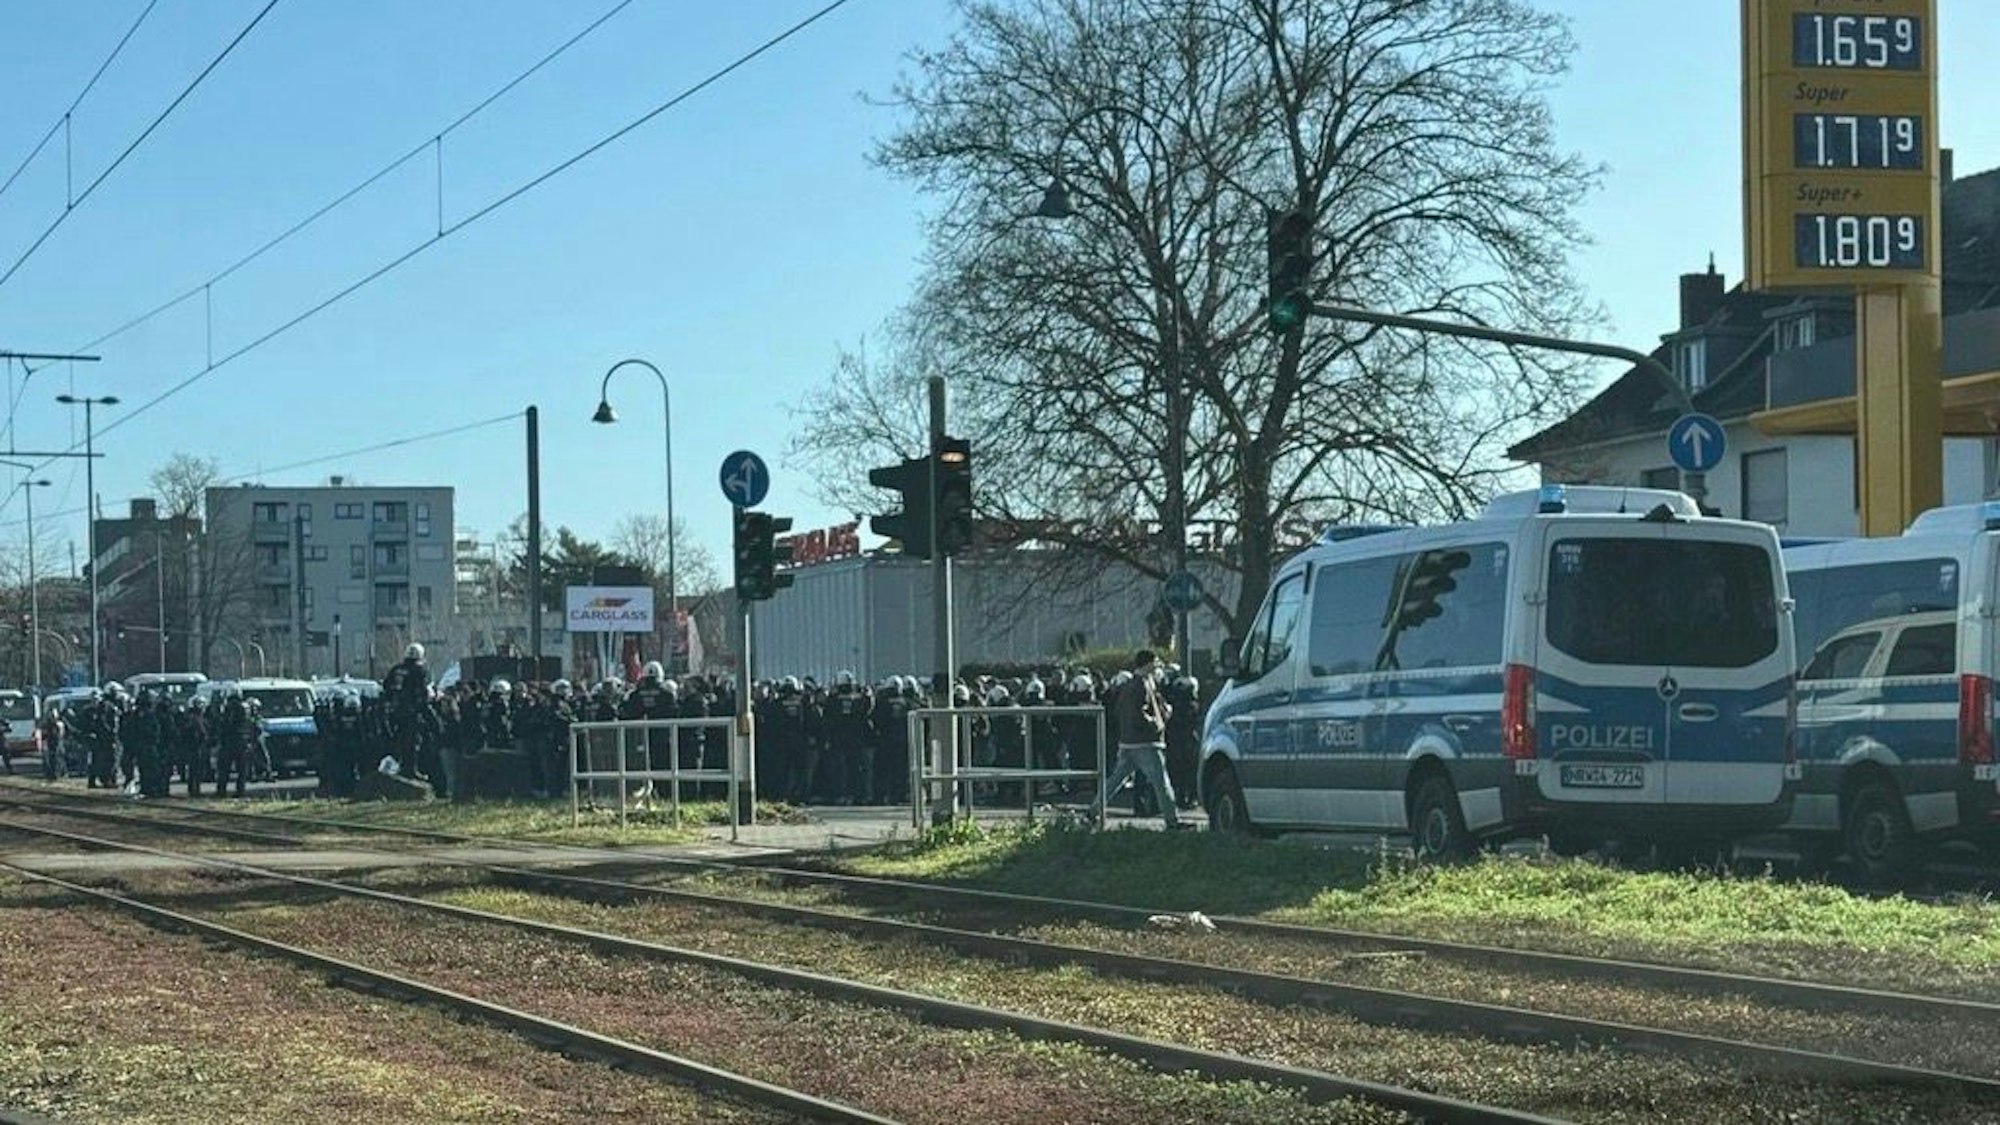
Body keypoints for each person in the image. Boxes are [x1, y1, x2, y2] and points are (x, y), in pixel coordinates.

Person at [1092, 650, 1183, 829]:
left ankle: (1093, 810)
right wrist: (1157, 723)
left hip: (1128, 741)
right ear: (1147, 663)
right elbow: (1138, 714)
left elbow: (1121, 710)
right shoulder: (1141, 684)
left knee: (1115, 780)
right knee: (1161, 782)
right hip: (1146, 742)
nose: (1157, 665)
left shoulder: (1131, 684)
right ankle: (1172, 821)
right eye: (1155, 661)